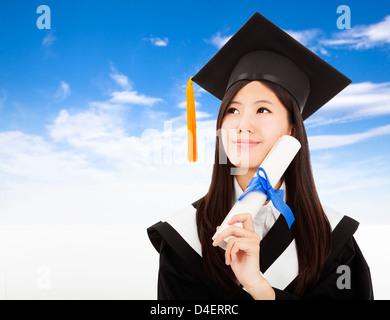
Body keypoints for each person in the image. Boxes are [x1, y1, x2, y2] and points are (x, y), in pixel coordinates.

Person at [147, 12, 373, 300]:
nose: (243, 124)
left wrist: (261, 289)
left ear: (293, 128)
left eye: (263, 110)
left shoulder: (333, 238)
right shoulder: (185, 236)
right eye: (232, 110)